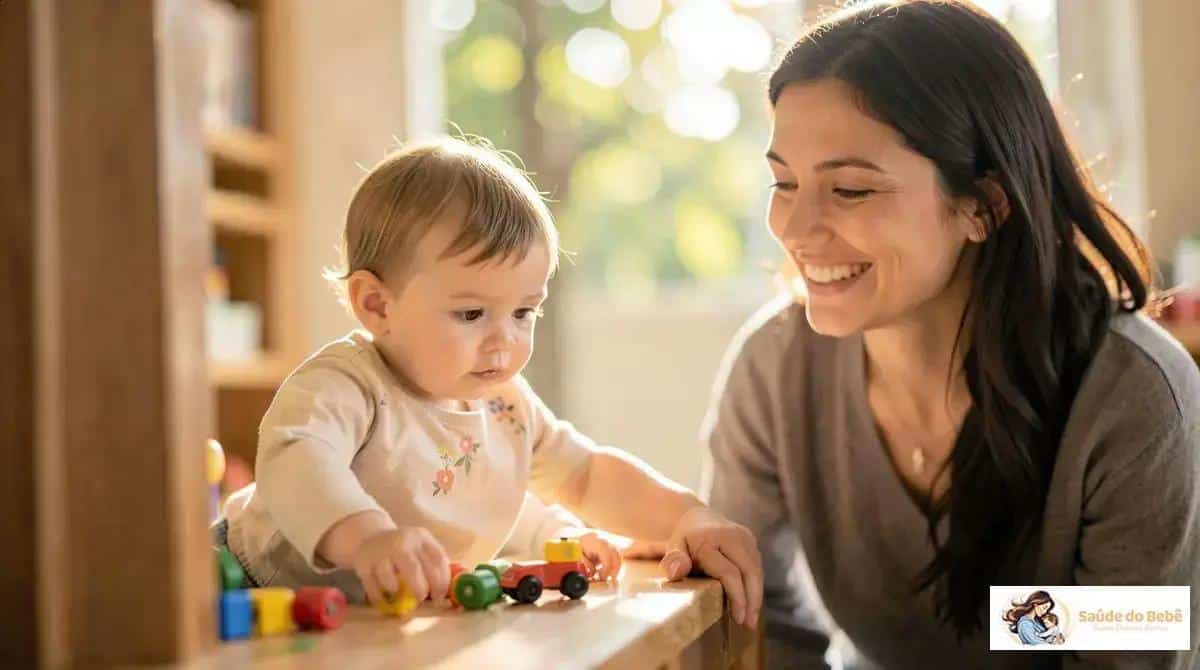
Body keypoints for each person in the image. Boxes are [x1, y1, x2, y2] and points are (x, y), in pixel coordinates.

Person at [699, 1, 1200, 667]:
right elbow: (756, 616)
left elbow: (1120, 651)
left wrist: (1005, 623)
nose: (795, 228)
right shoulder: (775, 366)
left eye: (849, 190)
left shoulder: (1134, 396)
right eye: (783, 182)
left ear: (984, 206)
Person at [216, 138, 762, 625]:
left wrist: (687, 515)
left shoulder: (504, 403)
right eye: (472, 315)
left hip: (379, 623)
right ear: (377, 305)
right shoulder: (346, 385)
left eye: (524, 313)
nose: (504, 342)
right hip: (254, 590)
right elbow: (297, 459)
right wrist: (370, 539)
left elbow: (587, 477)